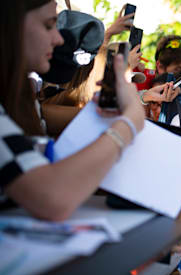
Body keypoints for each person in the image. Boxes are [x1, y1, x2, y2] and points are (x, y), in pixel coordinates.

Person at [0, 0, 145, 221]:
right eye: (49, 25)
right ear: (10, 26)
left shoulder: (22, 102)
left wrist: (109, 111)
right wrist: (129, 123)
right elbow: (51, 196)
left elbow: (49, 120)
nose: (58, 39)